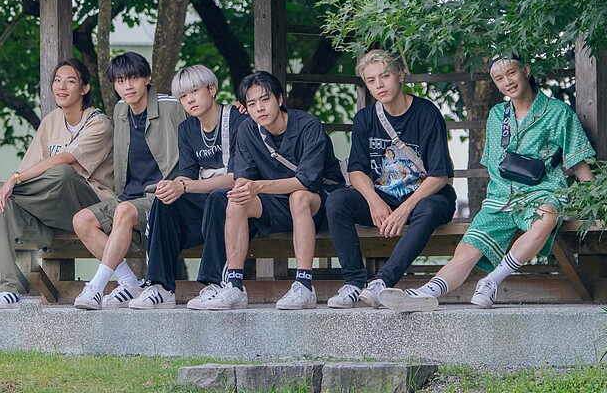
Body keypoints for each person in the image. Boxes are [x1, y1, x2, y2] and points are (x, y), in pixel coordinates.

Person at [378, 54, 595, 311]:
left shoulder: (558, 112)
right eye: (499, 78)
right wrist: (499, 198)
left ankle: (491, 281)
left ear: (526, 71)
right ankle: (425, 292)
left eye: (511, 73)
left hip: (542, 192)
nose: (507, 82)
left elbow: (579, 162)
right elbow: (494, 164)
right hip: (500, 197)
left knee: (546, 218)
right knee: (467, 249)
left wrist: (595, 202)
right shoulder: (497, 115)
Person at [0, 58, 114, 309]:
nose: (61, 86)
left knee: (62, 172)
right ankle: (9, 289)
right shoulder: (51, 121)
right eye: (57, 80)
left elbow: (65, 159)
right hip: (54, 210)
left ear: (84, 88)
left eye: (70, 81)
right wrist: (11, 185)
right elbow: (29, 169)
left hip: (89, 207)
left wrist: (13, 180)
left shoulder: (98, 123)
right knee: (8, 201)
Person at [325, 49, 457, 309]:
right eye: (371, 80)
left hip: (425, 197)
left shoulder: (426, 113)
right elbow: (356, 170)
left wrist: (404, 209)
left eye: (384, 76)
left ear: (400, 76)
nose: (379, 85)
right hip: (384, 198)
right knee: (337, 201)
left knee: (430, 208)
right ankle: (353, 283)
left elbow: (439, 175)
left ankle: (382, 282)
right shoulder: (365, 118)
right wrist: (373, 200)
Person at [203, 70, 345, 310]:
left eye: (265, 99)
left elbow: (306, 181)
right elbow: (243, 177)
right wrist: (246, 188)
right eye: (251, 103)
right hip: (275, 203)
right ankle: (235, 285)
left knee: (299, 197)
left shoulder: (308, 125)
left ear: (279, 99)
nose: (259, 108)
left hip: (318, 203)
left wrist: (259, 186)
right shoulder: (247, 130)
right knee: (237, 199)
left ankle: (304, 285)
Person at [127, 64, 250, 310]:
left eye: (194, 91)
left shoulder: (237, 119)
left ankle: (216, 283)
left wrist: (185, 187)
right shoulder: (187, 128)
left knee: (218, 197)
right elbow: (187, 174)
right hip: (206, 201)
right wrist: (174, 186)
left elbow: (237, 177)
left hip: (240, 202)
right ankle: (160, 286)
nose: (189, 100)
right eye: (183, 96)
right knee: (164, 201)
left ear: (212, 90)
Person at [71, 51, 184, 310]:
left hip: (162, 197)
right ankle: (130, 282)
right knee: (82, 220)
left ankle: (96, 287)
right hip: (129, 197)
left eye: (133, 78)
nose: (127, 86)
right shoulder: (121, 109)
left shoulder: (171, 106)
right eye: (120, 81)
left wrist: (236, 109)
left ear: (147, 78)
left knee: (124, 210)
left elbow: (203, 117)